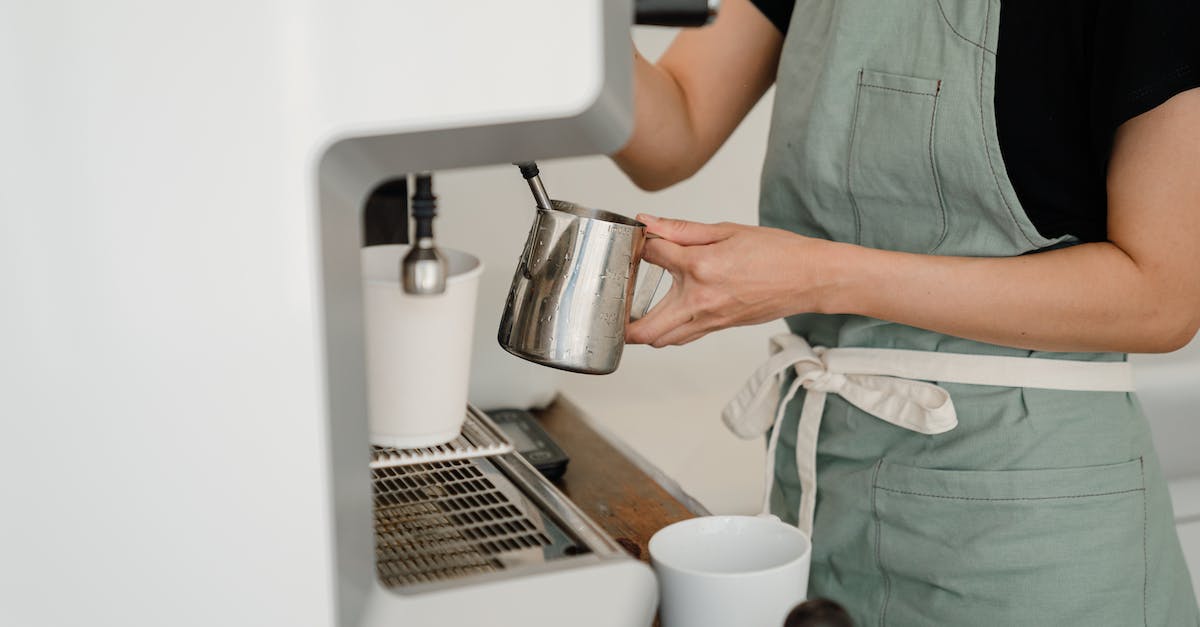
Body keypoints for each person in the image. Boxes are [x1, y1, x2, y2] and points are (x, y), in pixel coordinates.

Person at [614, 1, 1200, 625]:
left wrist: (819, 277)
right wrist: (572, 23)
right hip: (826, 494)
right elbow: (673, 127)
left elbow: (1163, 299)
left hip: (1028, 525)